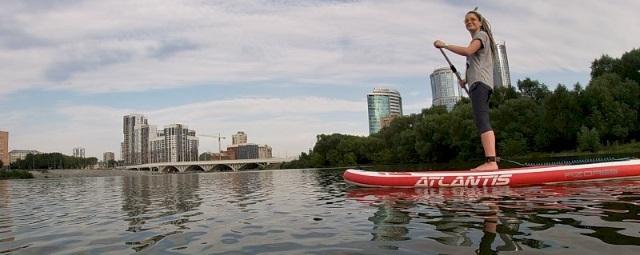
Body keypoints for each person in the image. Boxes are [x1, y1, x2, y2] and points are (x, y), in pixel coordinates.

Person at [433, 9, 499, 171]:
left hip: (480, 85)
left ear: (480, 22)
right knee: (480, 120)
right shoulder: (477, 39)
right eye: (466, 21)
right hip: (477, 83)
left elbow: (468, 52)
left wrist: (445, 45)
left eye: (472, 19)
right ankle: (491, 161)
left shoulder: (481, 36)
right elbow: (477, 65)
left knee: (482, 120)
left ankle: (491, 162)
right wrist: (465, 80)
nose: (469, 22)